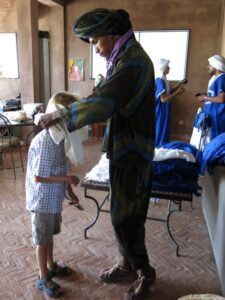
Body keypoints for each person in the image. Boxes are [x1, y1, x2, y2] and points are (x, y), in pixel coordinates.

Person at [39, 8, 156, 300]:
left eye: (95, 41)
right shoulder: (122, 58)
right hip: (123, 149)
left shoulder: (133, 62)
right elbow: (102, 94)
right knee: (121, 211)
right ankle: (128, 263)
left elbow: (104, 102)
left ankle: (144, 271)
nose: (95, 48)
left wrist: (62, 115)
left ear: (111, 34)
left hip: (134, 152)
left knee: (127, 216)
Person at [26, 91, 80, 298]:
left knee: (49, 237)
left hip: (53, 199)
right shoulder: (46, 141)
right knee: (42, 240)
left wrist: (69, 191)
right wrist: (67, 181)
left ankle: (51, 265)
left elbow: (62, 167)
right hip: (41, 201)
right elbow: (39, 177)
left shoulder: (60, 138)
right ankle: (43, 277)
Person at [155, 58, 186, 147]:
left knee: (164, 128)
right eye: (167, 67)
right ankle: (158, 148)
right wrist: (177, 92)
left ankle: (162, 146)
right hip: (160, 109)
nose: (169, 68)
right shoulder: (160, 80)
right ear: (163, 68)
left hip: (164, 108)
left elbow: (169, 91)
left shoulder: (164, 79)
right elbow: (163, 99)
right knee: (160, 128)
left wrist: (180, 84)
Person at [195, 54, 225, 140]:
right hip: (213, 115)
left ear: (216, 66)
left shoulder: (222, 79)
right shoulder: (217, 79)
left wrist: (205, 97)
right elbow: (215, 95)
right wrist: (205, 96)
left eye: (210, 65)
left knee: (217, 141)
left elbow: (221, 98)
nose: (207, 67)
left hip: (218, 117)